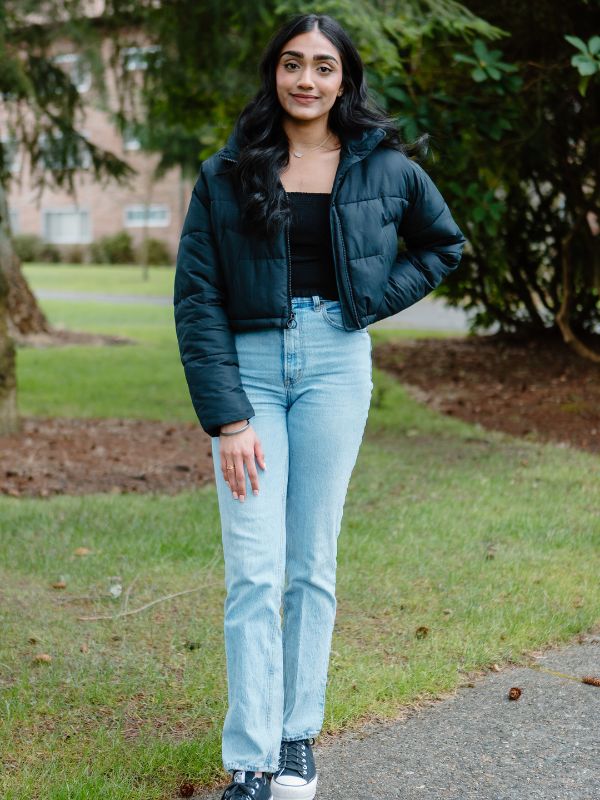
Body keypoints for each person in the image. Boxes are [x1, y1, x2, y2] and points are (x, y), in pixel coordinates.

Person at [173, 11, 466, 800]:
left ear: (345, 79)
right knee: (254, 571)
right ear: (275, 73)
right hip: (252, 371)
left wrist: (366, 303)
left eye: (324, 67)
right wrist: (228, 417)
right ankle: (249, 757)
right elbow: (197, 299)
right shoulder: (228, 171)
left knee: (310, 566)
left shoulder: (384, 167)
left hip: (337, 367)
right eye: (294, 64)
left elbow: (444, 245)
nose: (307, 79)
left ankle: (297, 738)